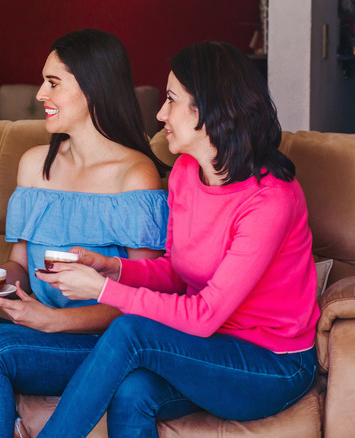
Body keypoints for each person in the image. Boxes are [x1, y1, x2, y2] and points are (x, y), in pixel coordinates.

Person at [36, 41, 321, 438]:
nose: (159, 113)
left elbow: (203, 316)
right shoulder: (187, 170)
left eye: (170, 100)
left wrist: (103, 291)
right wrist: (113, 269)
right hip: (207, 351)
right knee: (132, 392)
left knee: (129, 330)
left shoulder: (270, 200)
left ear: (207, 109)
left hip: (271, 365)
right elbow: (176, 271)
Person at [0, 29, 170, 438]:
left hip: (99, 346)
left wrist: (53, 322)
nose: (39, 95)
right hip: (34, 334)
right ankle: (6, 419)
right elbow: (19, 267)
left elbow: (149, 302)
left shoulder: (134, 175)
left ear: (93, 87)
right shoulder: (36, 166)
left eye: (53, 83)